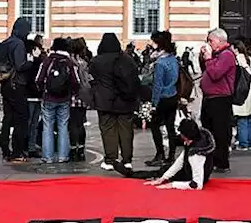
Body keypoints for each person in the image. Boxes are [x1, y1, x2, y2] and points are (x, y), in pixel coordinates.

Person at [89, 33, 141, 171]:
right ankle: (127, 159)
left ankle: (110, 159)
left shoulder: (96, 61)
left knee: (108, 130)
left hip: (105, 101)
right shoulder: (127, 60)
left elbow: (92, 79)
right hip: (125, 101)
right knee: (126, 131)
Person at [0, 18, 32, 163]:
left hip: (5, 83)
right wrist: (32, 62)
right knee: (21, 119)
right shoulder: (19, 44)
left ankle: (5, 149)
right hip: (17, 84)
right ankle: (17, 151)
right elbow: (20, 65)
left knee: (8, 118)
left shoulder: (6, 42)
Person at [36, 37, 79, 164]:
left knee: (47, 126)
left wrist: (43, 91)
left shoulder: (47, 61)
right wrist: (70, 93)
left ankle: (48, 157)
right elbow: (76, 82)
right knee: (63, 126)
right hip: (64, 99)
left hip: (48, 98)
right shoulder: (69, 62)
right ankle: (63, 156)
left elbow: (38, 79)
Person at [199, 29, 236, 173]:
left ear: (220, 41)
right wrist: (204, 58)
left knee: (220, 131)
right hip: (210, 97)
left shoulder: (226, 55)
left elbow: (215, 74)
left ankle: (221, 161)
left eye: (211, 41)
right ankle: (211, 158)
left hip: (220, 98)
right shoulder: (217, 55)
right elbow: (206, 70)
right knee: (208, 129)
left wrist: (208, 59)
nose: (209, 44)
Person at [145, 118, 216, 190]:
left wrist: (172, 184)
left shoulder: (196, 154)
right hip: (190, 170)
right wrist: (163, 178)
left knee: (162, 171)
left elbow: (197, 185)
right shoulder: (194, 140)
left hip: (194, 176)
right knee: (164, 170)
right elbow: (180, 161)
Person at [147, 31, 180, 168]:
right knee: (170, 126)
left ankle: (160, 153)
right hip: (173, 95)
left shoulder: (160, 63)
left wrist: (154, 103)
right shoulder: (173, 59)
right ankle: (171, 155)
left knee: (155, 125)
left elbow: (158, 85)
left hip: (163, 98)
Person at [232, 38, 251, 154]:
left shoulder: (238, 58)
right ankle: (248, 142)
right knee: (249, 118)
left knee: (242, 118)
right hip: (250, 90)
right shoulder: (248, 58)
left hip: (242, 91)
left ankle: (243, 143)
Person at [68, 38, 92, 163]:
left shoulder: (70, 62)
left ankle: (73, 150)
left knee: (72, 125)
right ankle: (81, 151)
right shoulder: (84, 62)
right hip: (83, 96)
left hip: (72, 96)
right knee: (80, 124)